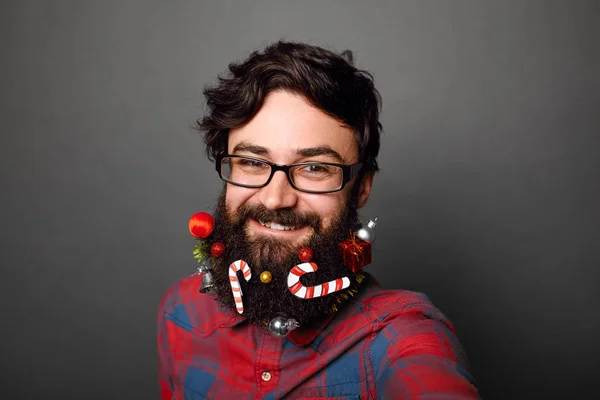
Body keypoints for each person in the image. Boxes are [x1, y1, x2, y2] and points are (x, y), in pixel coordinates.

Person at [157, 41, 479, 399]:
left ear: (360, 188)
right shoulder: (182, 312)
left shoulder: (401, 340)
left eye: (314, 168)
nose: (275, 198)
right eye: (251, 161)